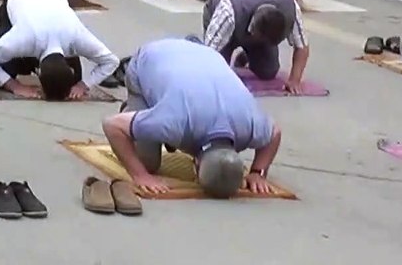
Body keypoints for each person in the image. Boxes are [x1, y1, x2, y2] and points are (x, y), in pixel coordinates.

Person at [101, 38, 280, 198]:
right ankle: (134, 113)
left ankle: (148, 120)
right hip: (150, 58)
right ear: (195, 167)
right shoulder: (174, 122)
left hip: (205, 56)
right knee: (146, 162)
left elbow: (275, 133)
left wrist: (258, 172)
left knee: (164, 128)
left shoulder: (249, 127)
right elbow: (112, 125)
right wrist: (140, 175)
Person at [0, 0, 119, 101]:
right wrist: (13, 85)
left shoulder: (77, 37)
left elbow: (112, 61)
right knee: (4, 76)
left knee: (76, 80)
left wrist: (83, 85)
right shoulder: (23, 38)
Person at [201, 0, 309, 91]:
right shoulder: (228, 12)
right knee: (220, 75)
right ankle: (194, 43)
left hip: (248, 27)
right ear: (253, 29)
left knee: (268, 71)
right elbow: (209, 52)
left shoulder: (289, 7)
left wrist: (294, 80)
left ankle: (245, 56)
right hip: (223, 23)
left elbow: (302, 47)